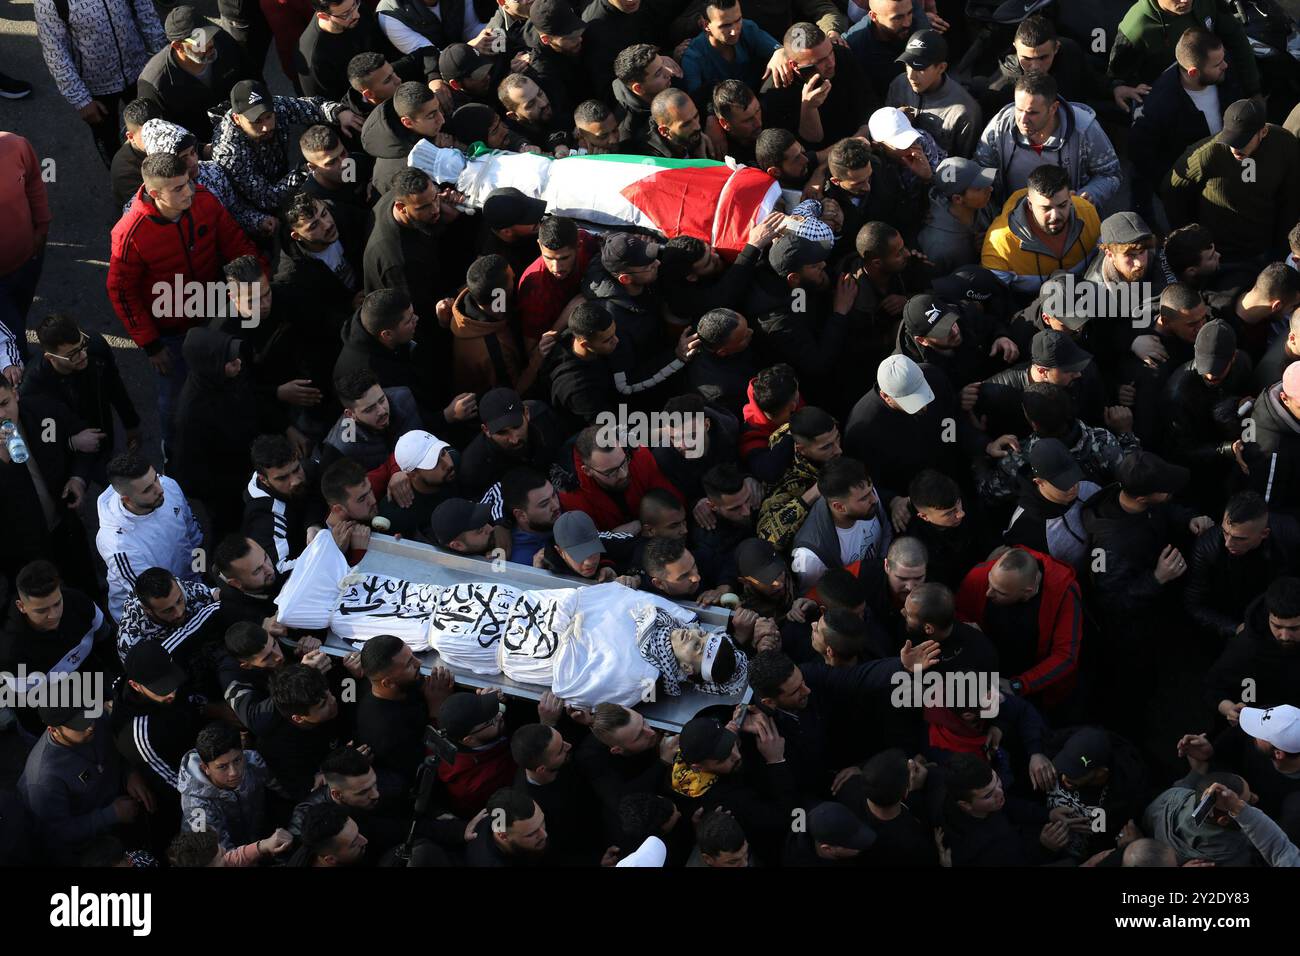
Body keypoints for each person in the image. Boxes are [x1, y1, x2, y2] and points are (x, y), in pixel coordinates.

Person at [107, 153, 261, 449]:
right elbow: (122, 293)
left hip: (214, 314)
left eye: (188, 183)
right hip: (170, 333)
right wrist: (151, 344)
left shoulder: (205, 201)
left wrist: (256, 284)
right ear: (154, 194)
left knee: (234, 380)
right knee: (174, 401)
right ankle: (173, 451)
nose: (189, 191)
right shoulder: (130, 234)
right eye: (178, 189)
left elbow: (237, 244)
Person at [1162, 98, 1300, 264]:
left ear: (1262, 132)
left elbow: (1291, 195)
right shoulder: (1207, 154)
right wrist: (1190, 238)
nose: (1235, 147)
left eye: (1243, 140)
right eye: (1231, 139)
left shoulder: (1284, 145)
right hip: (1221, 252)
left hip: (1266, 244)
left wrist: (1283, 244)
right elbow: (1171, 189)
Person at [33, 0, 166, 166]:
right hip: (96, 89)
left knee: (153, 129)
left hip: (138, 71)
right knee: (109, 141)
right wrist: (81, 101)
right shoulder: (48, 2)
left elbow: (146, 13)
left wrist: (162, 62)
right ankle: (122, 182)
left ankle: (160, 176)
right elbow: (56, 53)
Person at [1128, 26, 1239, 223]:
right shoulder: (1159, 106)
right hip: (1193, 192)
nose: (1225, 66)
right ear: (1194, 72)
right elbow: (1144, 159)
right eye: (1217, 64)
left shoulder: (1221, 71)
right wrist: (1176, 190)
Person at [0, 377, 99, 598]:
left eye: (4, 403)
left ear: (15, 394)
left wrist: (77, 479)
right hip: (22, 552)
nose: (1, 415)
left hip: (64, 528)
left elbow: (86, 442)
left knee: (86, 590)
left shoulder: (42, 411)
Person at [0, 561, 120, 738]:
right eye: (42, 610)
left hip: (91, 681)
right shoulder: (12, 652)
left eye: (57, 603)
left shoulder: (79, 602)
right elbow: (30, 707)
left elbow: (107, 642)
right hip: (51, 712)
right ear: (21, 606)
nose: (54, 614)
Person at [18, 706, 151, 865]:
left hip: (119, 807)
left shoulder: (96, 721)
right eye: (79, 724)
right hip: (86, 846)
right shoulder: (43, 778)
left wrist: (130, 773)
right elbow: (58, 832)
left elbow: (115, 747)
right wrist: (111, 814)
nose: (90, 726)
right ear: (53, 731)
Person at [955, 546, 1083, 711]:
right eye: (990, 581)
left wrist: (1019, 685)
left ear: (1027, 592)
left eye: (1000, 592)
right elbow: (956, 613)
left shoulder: (1063, 592)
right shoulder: (980, 574)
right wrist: (968, 629)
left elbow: (1065, 655)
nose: (988, 593)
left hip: (1038, 690)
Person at [210, 79, 361, 218]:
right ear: (237, 118)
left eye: (269, 117)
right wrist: (304, 171)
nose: (266, 127)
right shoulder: (229, 153)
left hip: (282, 173)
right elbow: (266, 199)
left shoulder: (275, 106)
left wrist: (339, 112)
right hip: (257, 210)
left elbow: (313, 107)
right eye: (256, 122)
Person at [973, 72, 1120, 212]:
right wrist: (986, 216)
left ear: (1053, 108)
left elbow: (1110, 174)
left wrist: (1090, 194)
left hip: (1067, 218)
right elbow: (981, 172)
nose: (1022, 120)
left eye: (1032, 113)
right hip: (1012, 218)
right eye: (1019, 109)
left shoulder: (1084, 130)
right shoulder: (999, 128)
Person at [24, 314, 141, 483]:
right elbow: (37, 436)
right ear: (50, 358)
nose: (83, 355)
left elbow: (115, 387)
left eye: (82, 345)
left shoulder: (95, 346)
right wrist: (71, 442)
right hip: (66, 458)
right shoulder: (34, 385)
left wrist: (131, 424)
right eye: (73, 354)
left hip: (101, 434)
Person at [95, 454, 204, 623]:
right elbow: (153, 595)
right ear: (126, 499)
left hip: (189, 588)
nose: (159, 489)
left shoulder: (168, 485)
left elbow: (193, 535)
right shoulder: (118, 545)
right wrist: (206, 594)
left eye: (155, 478)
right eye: (147, 489)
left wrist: (200, 573)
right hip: (157, 613)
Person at [1186, 492, 1300, 642]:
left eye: (1240, 538)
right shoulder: (1208, 548)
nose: (1228, 543)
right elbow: (1195, 604)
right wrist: (1234, 628)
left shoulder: (1289, 536)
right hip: (1233, 621)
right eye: (1225, 532)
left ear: (1264, 534)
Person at [1108, 0, 1260, 107]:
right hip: (1173, 107)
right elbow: (1116, 76)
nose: (1186, 1)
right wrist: (1119, 87)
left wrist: (1253, 90)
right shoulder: (1136, 28)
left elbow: (1236, 38)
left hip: (1220, 90)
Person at [136, 7, 253, 145]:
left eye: (209, 35)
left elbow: (252, 80)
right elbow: (158, 137)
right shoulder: (154, 85)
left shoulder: (224, 42)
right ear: (178, 47)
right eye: (200, 42)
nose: (210, 44)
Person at [980, 163, 1101, 297]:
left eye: (1062, 205)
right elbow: (994, 304)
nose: (1055, 215)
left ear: (1070, 198)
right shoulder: (1000, 245)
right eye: (1046, 208)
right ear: (1030, 205)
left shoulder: (1088, 212)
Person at [355, 636, 454, 796]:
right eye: (409, 664)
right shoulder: (387, 732)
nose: (419, 663)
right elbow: (429, 766)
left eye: (413, 655)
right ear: (387, 683)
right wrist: (437, 712)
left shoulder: (399, 686)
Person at [760, 22, 876, 152]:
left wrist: (864, 130)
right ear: (794, 65)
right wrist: (808, 108)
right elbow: (805, 147)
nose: (831, 63)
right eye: (820, 61)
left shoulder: (842, 56)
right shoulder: (777, 90)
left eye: (831, 53)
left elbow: (868, 102)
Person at [178, 722, 288, 858]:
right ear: (205, 768)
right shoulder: (196, 807)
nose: (234, 772)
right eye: (222, 767)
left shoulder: (253, 761)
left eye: (237, 760)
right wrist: (261, 848)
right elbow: (221, 857)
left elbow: (286, 789)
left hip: (258, 841)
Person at [790, 457, 891, 591]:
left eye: (871, 490)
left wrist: (894, 501)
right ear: (839, 507)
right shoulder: (810, 558)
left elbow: (886, 531)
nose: (874, 499)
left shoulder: (867, 498)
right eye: (864, 498)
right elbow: (818, 598)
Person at [1002, 438, 1102, 572]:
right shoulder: (1026, 526)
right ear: (1039, 482)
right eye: (1063, 483)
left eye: (1074, 477)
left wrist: (1100, 567)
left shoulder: (1089, 483)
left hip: (1102, 560)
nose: (1073, 486)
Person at [1208, 577, 1300, 718]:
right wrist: (1229, 709)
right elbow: (1214, 687)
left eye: (1295, 628)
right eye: (1277, 626)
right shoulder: (1247, 646)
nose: (1285, 636)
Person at [887, 29, 980, 159]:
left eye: (920, 68)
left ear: (941, 67)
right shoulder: (899, 84)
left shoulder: (964, 113)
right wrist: (896, 120)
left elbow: (962, 166)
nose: (911, 76)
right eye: (908, 65)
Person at [0, 131, 50, 354]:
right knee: (15, 346)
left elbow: (34, 184)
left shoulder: (16, 145)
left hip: (28, 259)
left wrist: (42, 226)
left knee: (20, 313)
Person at [435, 691, 517, 816]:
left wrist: (495, 702)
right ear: (469, 739)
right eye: (490, 722)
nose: (499, 715)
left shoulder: (450, 736)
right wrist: (548, 726)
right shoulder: (478, 783)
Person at [680, 0, 780, 97]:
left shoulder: (748, 29)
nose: (735, 31)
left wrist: (780, 52)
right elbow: (696, 103)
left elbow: (779, 51)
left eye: (738, 20)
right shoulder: (692, 58)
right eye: (726, 25)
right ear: (705, 25)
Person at [916, 157, 995, 275]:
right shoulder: (938, 247)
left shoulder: (981, 206)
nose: (990, 189)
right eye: (979, 188)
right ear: (958, 199)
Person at [466, 787, 549, 866]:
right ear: (502, 835)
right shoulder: (487, 862)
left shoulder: (500, 815)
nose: (544, 834)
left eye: (542, 822)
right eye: (531, 834)